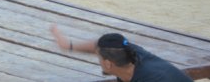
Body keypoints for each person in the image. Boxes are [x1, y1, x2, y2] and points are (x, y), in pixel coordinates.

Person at [50, 26, 193, 81]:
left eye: (99, 58)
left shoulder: (149, 79)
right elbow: (98, 45)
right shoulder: (131, 52)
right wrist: (69, 45)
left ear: (108, 63)